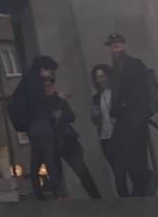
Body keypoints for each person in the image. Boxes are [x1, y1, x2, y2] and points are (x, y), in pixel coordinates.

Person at [104, 33, 153, 197]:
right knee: (120, 151)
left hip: (135, 114)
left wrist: (126, 105)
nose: (115, 50)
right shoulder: (115, 70)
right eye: (112, 48)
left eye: (117, 46)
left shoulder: (135, 65)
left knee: (136, 151)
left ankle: (142, 183)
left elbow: (141, 90)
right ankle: (141, 181)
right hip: (124, 117)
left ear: (124, 47)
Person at [48, 69, 101, 199]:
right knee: (57, 175)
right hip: (53, 141)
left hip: (67, 140)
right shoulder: (43, 101)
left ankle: (96, 198)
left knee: (82, 171)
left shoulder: (58, 98)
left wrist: (59, 115)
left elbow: (71, 116)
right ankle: (61, 199)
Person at [22, 56, 66, 200]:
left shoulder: (27, 81)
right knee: (49, 160)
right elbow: (43, 101)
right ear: (43, 69)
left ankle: (38, 195)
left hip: (32, 126)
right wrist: (57, 98)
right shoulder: (38, 83)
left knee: (35, 162)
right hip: (43, 123)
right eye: (49, 71)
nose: (49, 75)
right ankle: (59, 193)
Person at [90, 63, 125, 196]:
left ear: (109, 76)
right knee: (118, 170)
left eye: (103, 76)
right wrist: (95, 115)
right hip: (106, 137)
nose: (101, 80)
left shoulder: (118, 92)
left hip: (121, 135)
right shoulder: (96, 98)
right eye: (98, 77)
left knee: (128, 167)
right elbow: (95, 121)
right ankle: (124, 198)